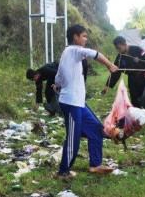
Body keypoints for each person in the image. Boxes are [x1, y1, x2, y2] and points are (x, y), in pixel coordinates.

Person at [54, 24, 118, 178]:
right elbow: (93, 53)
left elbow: (58, 78)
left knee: (96, 129)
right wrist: (110, 65)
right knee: (73, 139)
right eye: (84, 36)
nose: (85, 39)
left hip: (78, 103)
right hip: (70, 103)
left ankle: (95, 165)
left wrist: (58, 83)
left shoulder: (69, 55)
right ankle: (63, 172)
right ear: (75, 37)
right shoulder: (72, 50)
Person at [102, 36, 145, 127]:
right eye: (117, 49)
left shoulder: (137, 50)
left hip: (144, 79)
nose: (118, 50)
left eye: (119, 48)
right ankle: (139, 123)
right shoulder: (120, 57)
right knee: (135, 103)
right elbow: (116, 72)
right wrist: (107, 86)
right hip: (132, 80)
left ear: (124, 44)